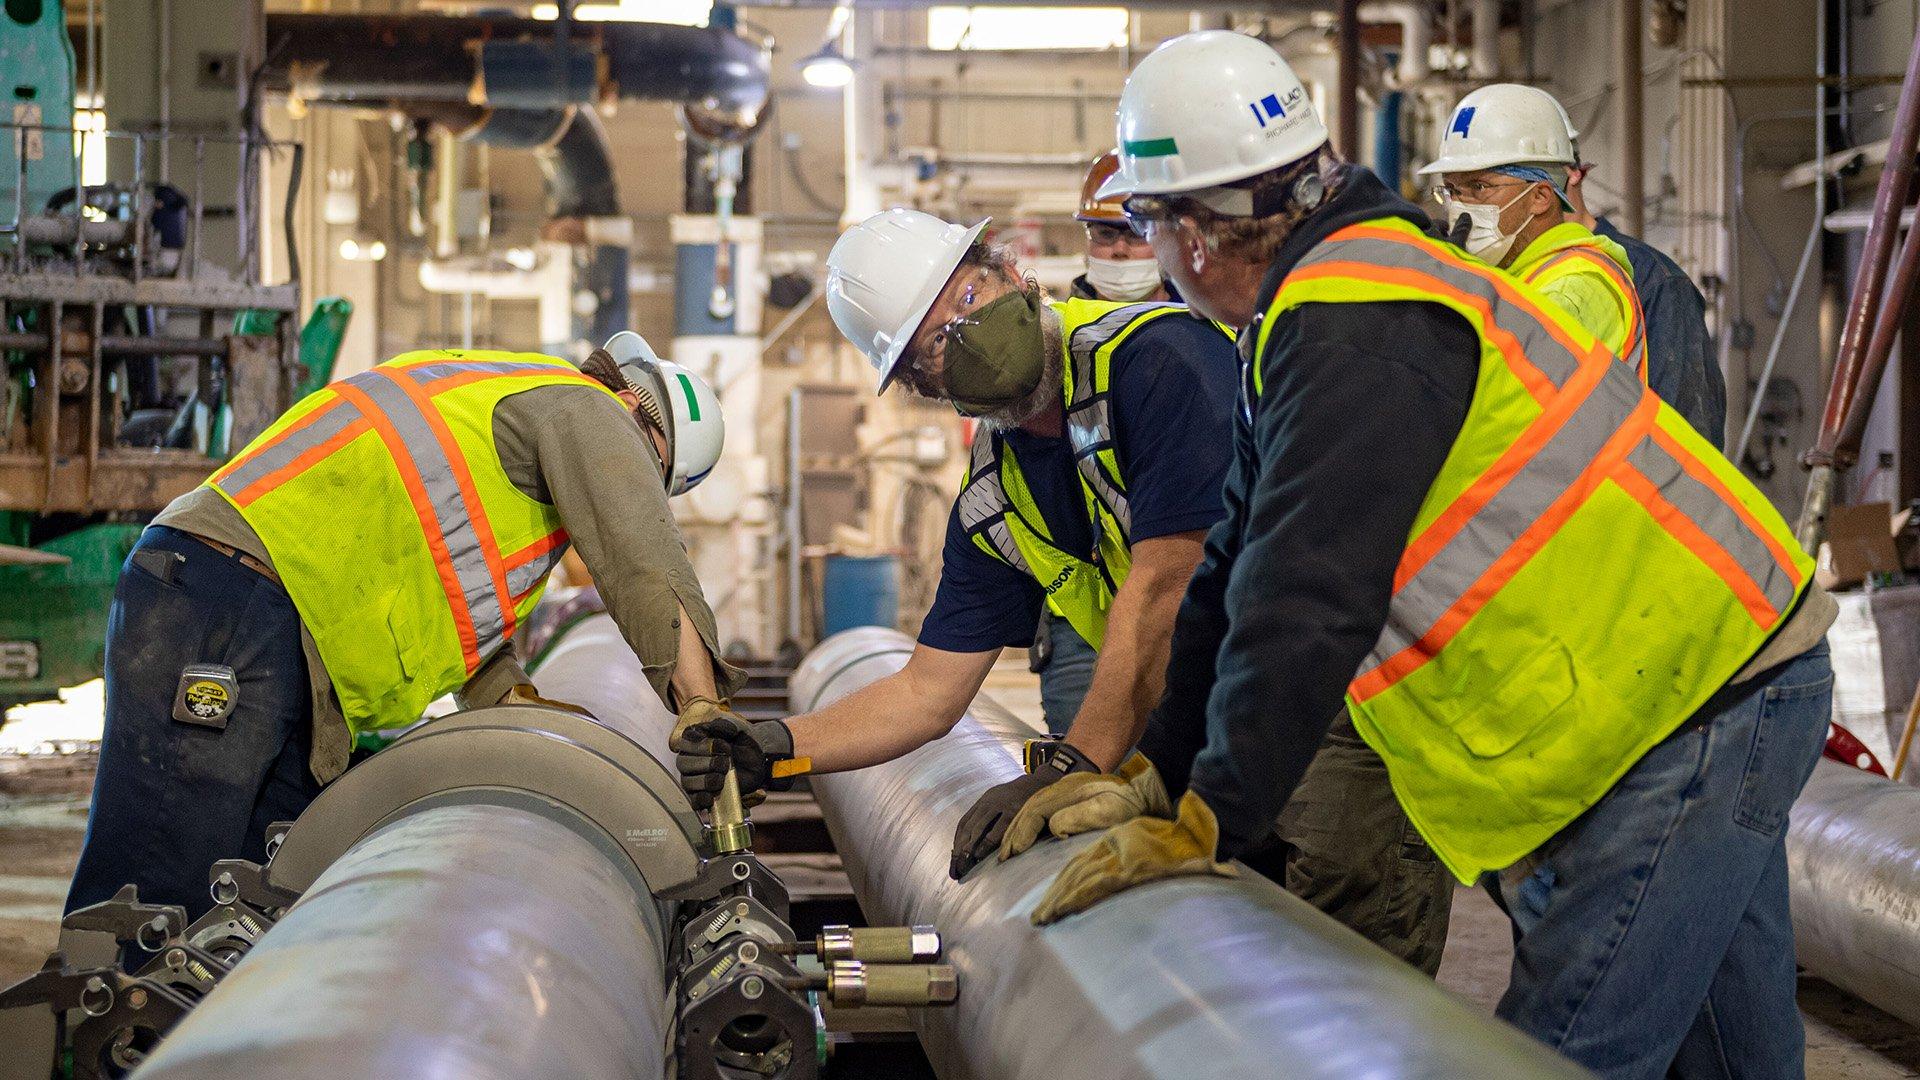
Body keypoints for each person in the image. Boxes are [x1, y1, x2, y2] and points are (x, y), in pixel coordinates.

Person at [1018, 31, 1836, 1080]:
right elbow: (1230, 570)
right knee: (1728, 1061)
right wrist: (1155, 777)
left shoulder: (1358, 319)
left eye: (1145, 222)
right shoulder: (1317, 309)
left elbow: (1307, 594)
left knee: (1560, 1051)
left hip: (1694, 704)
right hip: (1680, 689)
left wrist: (1211, 815)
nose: (1151, 258)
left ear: (1198, 230)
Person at [67, 333, 746, 921]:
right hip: (232, 599)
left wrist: (528, 718)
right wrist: (700, 703)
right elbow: (644, 557)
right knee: (155, 896)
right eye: (649, 479)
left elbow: (461, 613)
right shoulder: (592, 410)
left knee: (255, 894)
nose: (633, 484)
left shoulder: (510, 414)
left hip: (266, 622)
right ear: (643, 421)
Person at [675, 206, 1236, 866]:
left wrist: (1073, 764)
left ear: (1017, 275)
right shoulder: (995, 496)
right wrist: (774, 746)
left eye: (970, 299)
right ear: (920, 383)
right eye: (936, 342)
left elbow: (1169, 582)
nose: (970, 338)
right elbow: (927, 692)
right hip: (1193, 715)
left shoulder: (1157, 361)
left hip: (1306, 690)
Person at [1028, 151, 1180, 735]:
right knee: (1084, 770)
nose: (1117, 251)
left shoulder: (1213, 326)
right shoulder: (1051, 337)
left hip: (1185, 584)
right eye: (1103, 234)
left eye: (1133, 235)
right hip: (1083, 598)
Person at [1419, 84, 1648, 380]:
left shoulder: (1572, 288)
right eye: (1452, 190)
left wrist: (1450, 301)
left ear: (1540, 196)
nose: (1460, 207)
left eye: (1479, 187)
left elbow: (1493, 389)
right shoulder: (1517, 276)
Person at [1567, 164, 1729, 446]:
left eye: (1484, 186)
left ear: (1571, 173)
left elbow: (1688, 438)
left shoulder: (1653, 280)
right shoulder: (1512, 277)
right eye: (1461, 190)